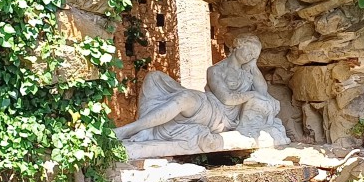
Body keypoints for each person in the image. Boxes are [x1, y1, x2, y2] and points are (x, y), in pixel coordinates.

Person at [115, 34, 284, 150]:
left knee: (184, 98)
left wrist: (254, 67)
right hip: (211, 105)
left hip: (223, 118)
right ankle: (145, 129)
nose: (251, 56)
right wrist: (251, 94)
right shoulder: (215, 71)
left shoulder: (248, 74)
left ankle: (130, 130)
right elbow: (226, 98)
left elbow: (262, 92)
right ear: (238, 45)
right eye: (250, 50)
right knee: (154, 78)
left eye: (255, 55)